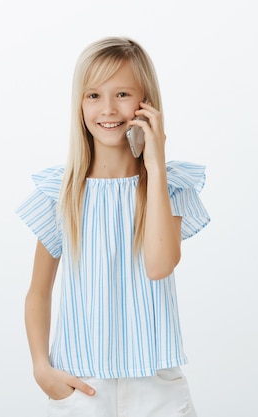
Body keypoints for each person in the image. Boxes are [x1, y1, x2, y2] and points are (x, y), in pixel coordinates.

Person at [15, 37, 210, 417]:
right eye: (93, 95)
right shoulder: (62, 192)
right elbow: (38, 292)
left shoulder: (169, 185)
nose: (107, 109)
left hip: (157, 387)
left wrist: (154, 164)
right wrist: (42, 368)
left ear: (146, 102)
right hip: (82, 386)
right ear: (80, 104)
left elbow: (159, 265)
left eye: (122, 93)